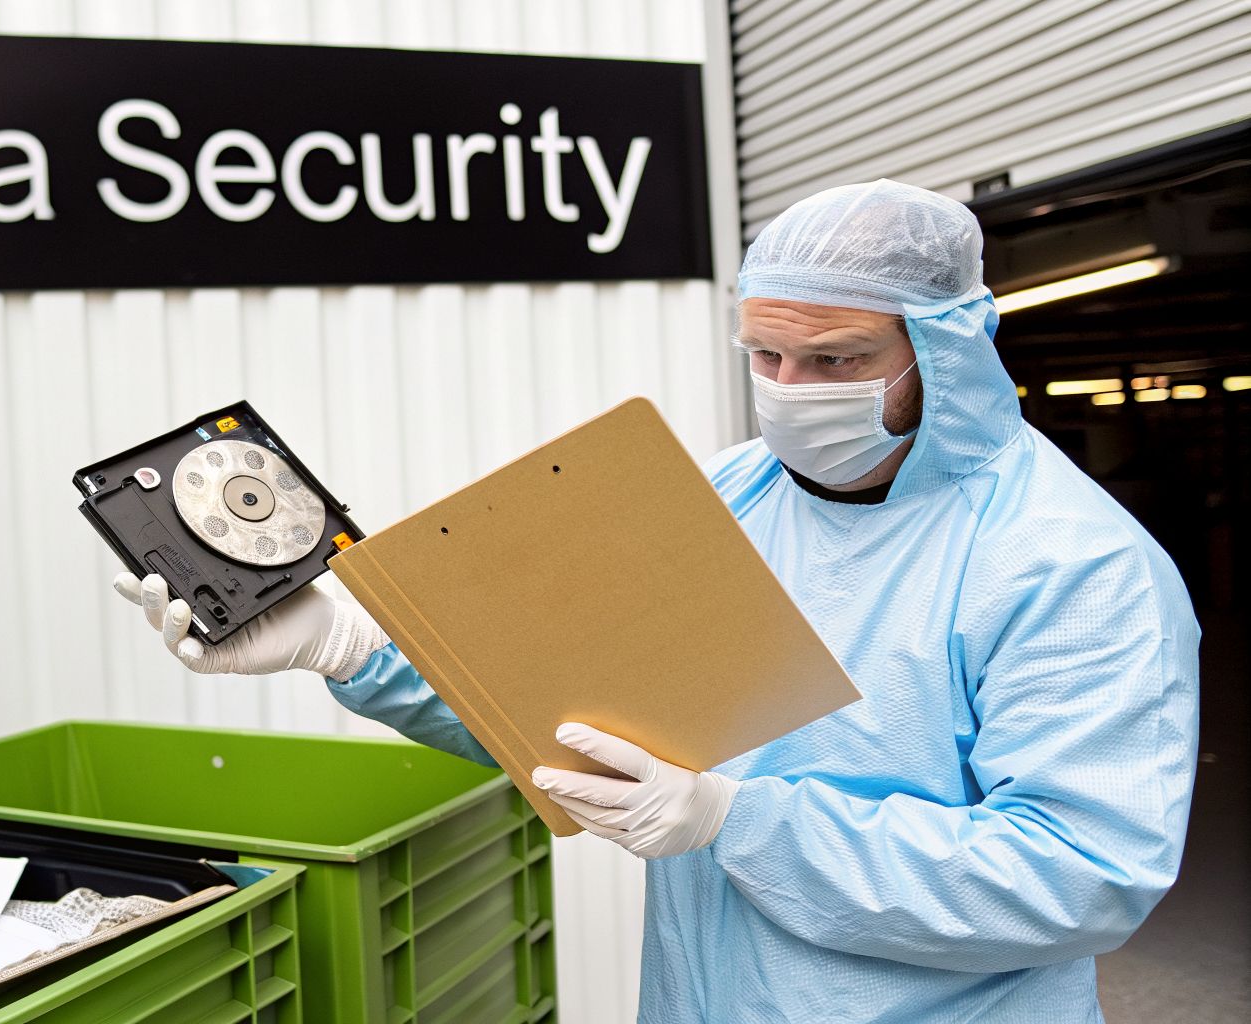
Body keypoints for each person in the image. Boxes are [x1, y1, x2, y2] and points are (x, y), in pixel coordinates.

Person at [112, 179, 1200, 1022]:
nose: (789, 389)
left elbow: (1077, 873)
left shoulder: (1071, 567)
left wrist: (740, 818)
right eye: (764, 354)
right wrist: (349, 646)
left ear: (945, 349)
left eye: (835, 358)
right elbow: (558, 710)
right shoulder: (724, 494)